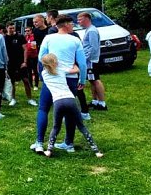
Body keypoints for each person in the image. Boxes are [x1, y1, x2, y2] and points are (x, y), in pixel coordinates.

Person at [31, 15, 86, 153]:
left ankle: (39, 142)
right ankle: (69, 142)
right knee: (70, 111)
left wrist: (42, 74)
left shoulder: (48, 38)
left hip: (52, 77)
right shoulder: (75, 40)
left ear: (57, 25)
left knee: (43, 108)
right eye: (72, 24)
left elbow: (40, 58)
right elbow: (83, 63)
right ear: (66, 24)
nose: (73, 26)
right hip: (70, 78)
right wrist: (82, 80)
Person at [40, 54, 104, 158]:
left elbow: (48, 68)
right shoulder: (61, 70)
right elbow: (76, 69)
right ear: (55, 62)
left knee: (56, 126)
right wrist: (73, 62)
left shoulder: (43, 74)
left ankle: (49, 150)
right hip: (70, 99)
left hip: (58, 101)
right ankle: (96, 151)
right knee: (81, 126)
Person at [78, 11, 107, 110]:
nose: (78, 22)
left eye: (80, 19)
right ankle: (95, 101)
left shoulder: (92, 31)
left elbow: (93, 47)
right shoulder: (88, 30)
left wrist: (86, 58)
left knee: (95, 80)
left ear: (87, 19)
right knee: (91, 80)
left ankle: (102, 103)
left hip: (91, 60)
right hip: (89, 60)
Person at [6, 24, 36, 106]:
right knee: (11, 82)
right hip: (10, 63)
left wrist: (25, 62)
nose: (12, 29)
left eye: (13, 28)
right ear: (7, 28)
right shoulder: (4, 38)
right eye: (10, 28)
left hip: (20, 62)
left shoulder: (20, 37)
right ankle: (13, 98)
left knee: (26, 80)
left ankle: (30, 99)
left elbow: (25, 49)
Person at [24, 25, 39, 90]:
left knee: (35, 71)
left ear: (31, 31)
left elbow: (33, 47)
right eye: (26, 31)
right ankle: (30, 84)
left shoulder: (33, 37)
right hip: (28, 57)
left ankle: (36, 85)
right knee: (29, 71)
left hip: (34, 56)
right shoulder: (25, 38)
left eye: (28, 31)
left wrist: (27, 47)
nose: (27, 32)